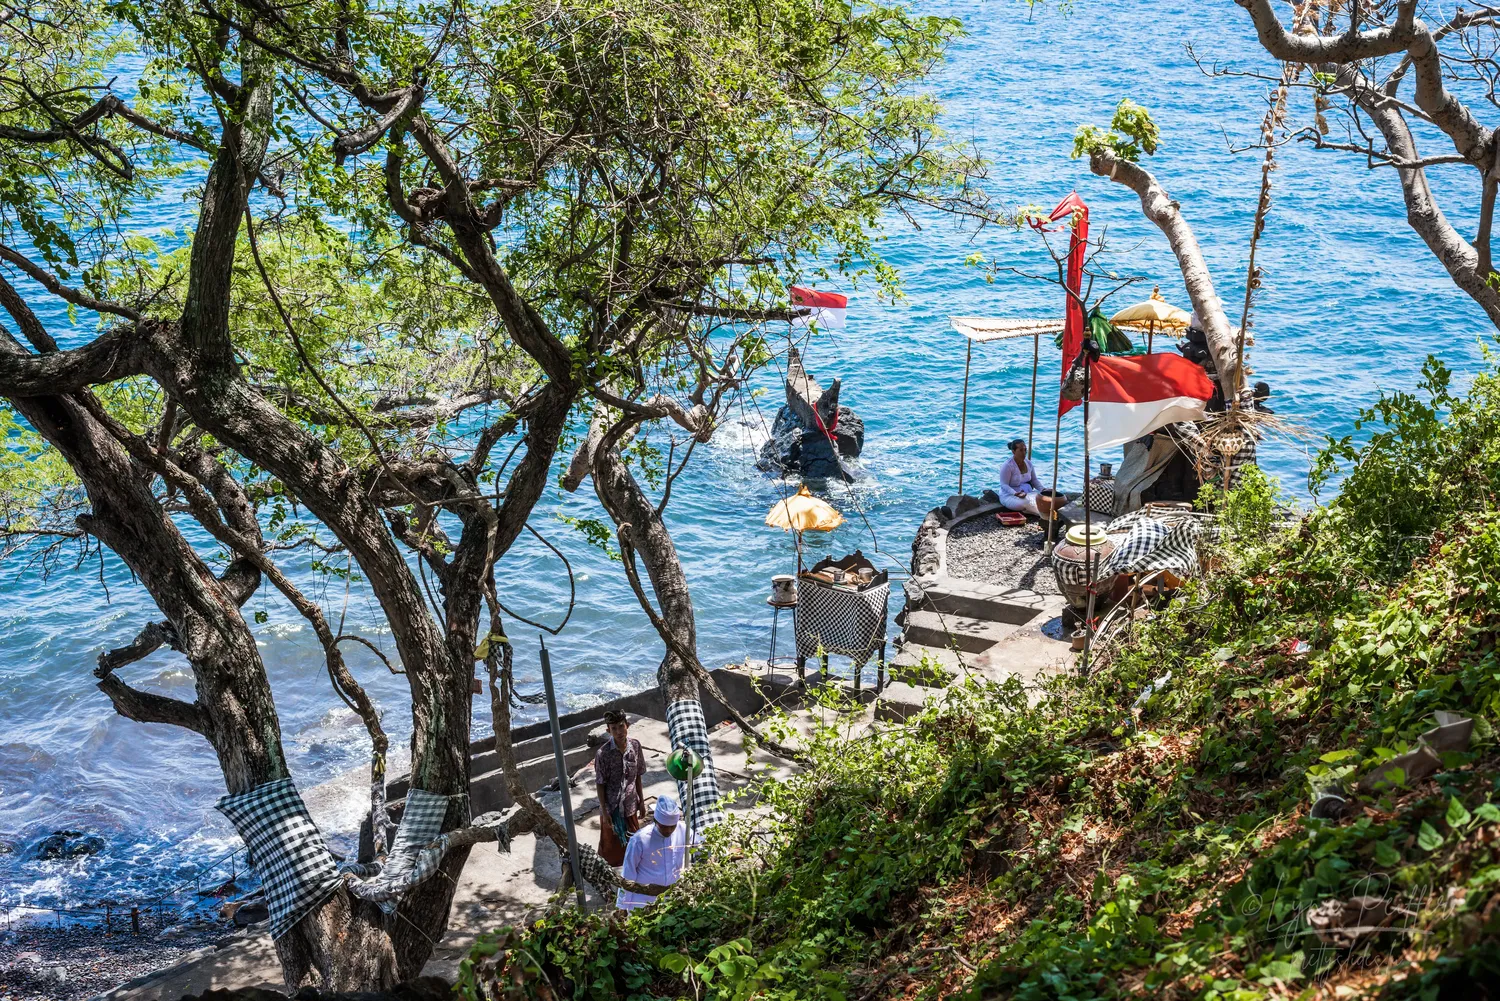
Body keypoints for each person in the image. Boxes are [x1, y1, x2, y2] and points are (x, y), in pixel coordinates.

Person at [616, 795, 691, 911]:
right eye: (664, 827)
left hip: (672, 899)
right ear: (656, 821)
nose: (668, 831)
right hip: (643, 901)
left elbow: (701, 845)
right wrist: (622, 906)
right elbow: (628, 875)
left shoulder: (684, 831)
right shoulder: (639, 840)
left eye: (672, 827)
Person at [593, 709, 646, 867]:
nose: (618, 732)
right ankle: (610, 877)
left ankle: (632, 871)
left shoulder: (635, 746)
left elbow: (637, 776)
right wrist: (604, 809)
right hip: (611, 808)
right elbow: (600, 784)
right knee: (610, 848)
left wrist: (641, 801)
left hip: (630, 805)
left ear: (627, 726)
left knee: (633, 842)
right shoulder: (603, 754)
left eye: (621, 726)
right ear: (608, 731)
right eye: (614, 728)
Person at [998, 438, 1045, 517]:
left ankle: (1034, 511)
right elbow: (1004, 485)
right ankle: (1042, 514)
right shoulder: (1007, 465)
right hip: (1009, 496)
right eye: (1021, 450)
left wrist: (1043, 489)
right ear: (1013, 451)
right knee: (1025, 502)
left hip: (1026, 493)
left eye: (1025, 450)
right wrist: (1015, 493)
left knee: (1045, 497)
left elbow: (1034, 480)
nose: (1024, 453)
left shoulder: (1028, 463)